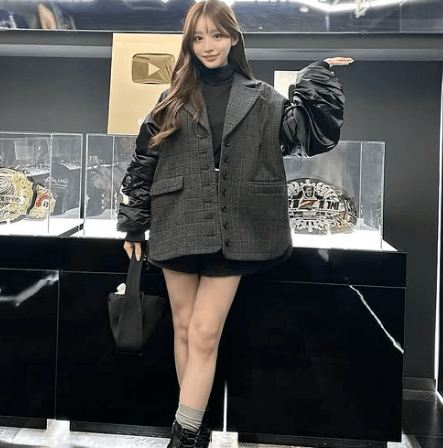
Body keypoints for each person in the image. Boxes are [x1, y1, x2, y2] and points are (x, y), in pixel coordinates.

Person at [117, 1, 352, 448]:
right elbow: (144, 159)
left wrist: (314, 77)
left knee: (204, 333)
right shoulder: (171, 98)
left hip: (236, 226)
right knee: (183, 328)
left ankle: (184, 437)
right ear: (189, 43)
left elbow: (306, 135)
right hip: (178, 218)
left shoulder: (262, 97)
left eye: (217, 35)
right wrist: (133, 225)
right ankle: (197, 427)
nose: (208, 45)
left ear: (234, 38)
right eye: (199, 37)